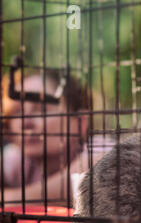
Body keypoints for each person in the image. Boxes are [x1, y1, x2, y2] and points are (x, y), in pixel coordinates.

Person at [1, 70, 110, 207]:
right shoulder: (16, 159)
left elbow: (102, 167)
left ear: (80, 122)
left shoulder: (98, 147)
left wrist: (11, 199)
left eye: (42, 109)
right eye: (17, 111)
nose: (25, 122)